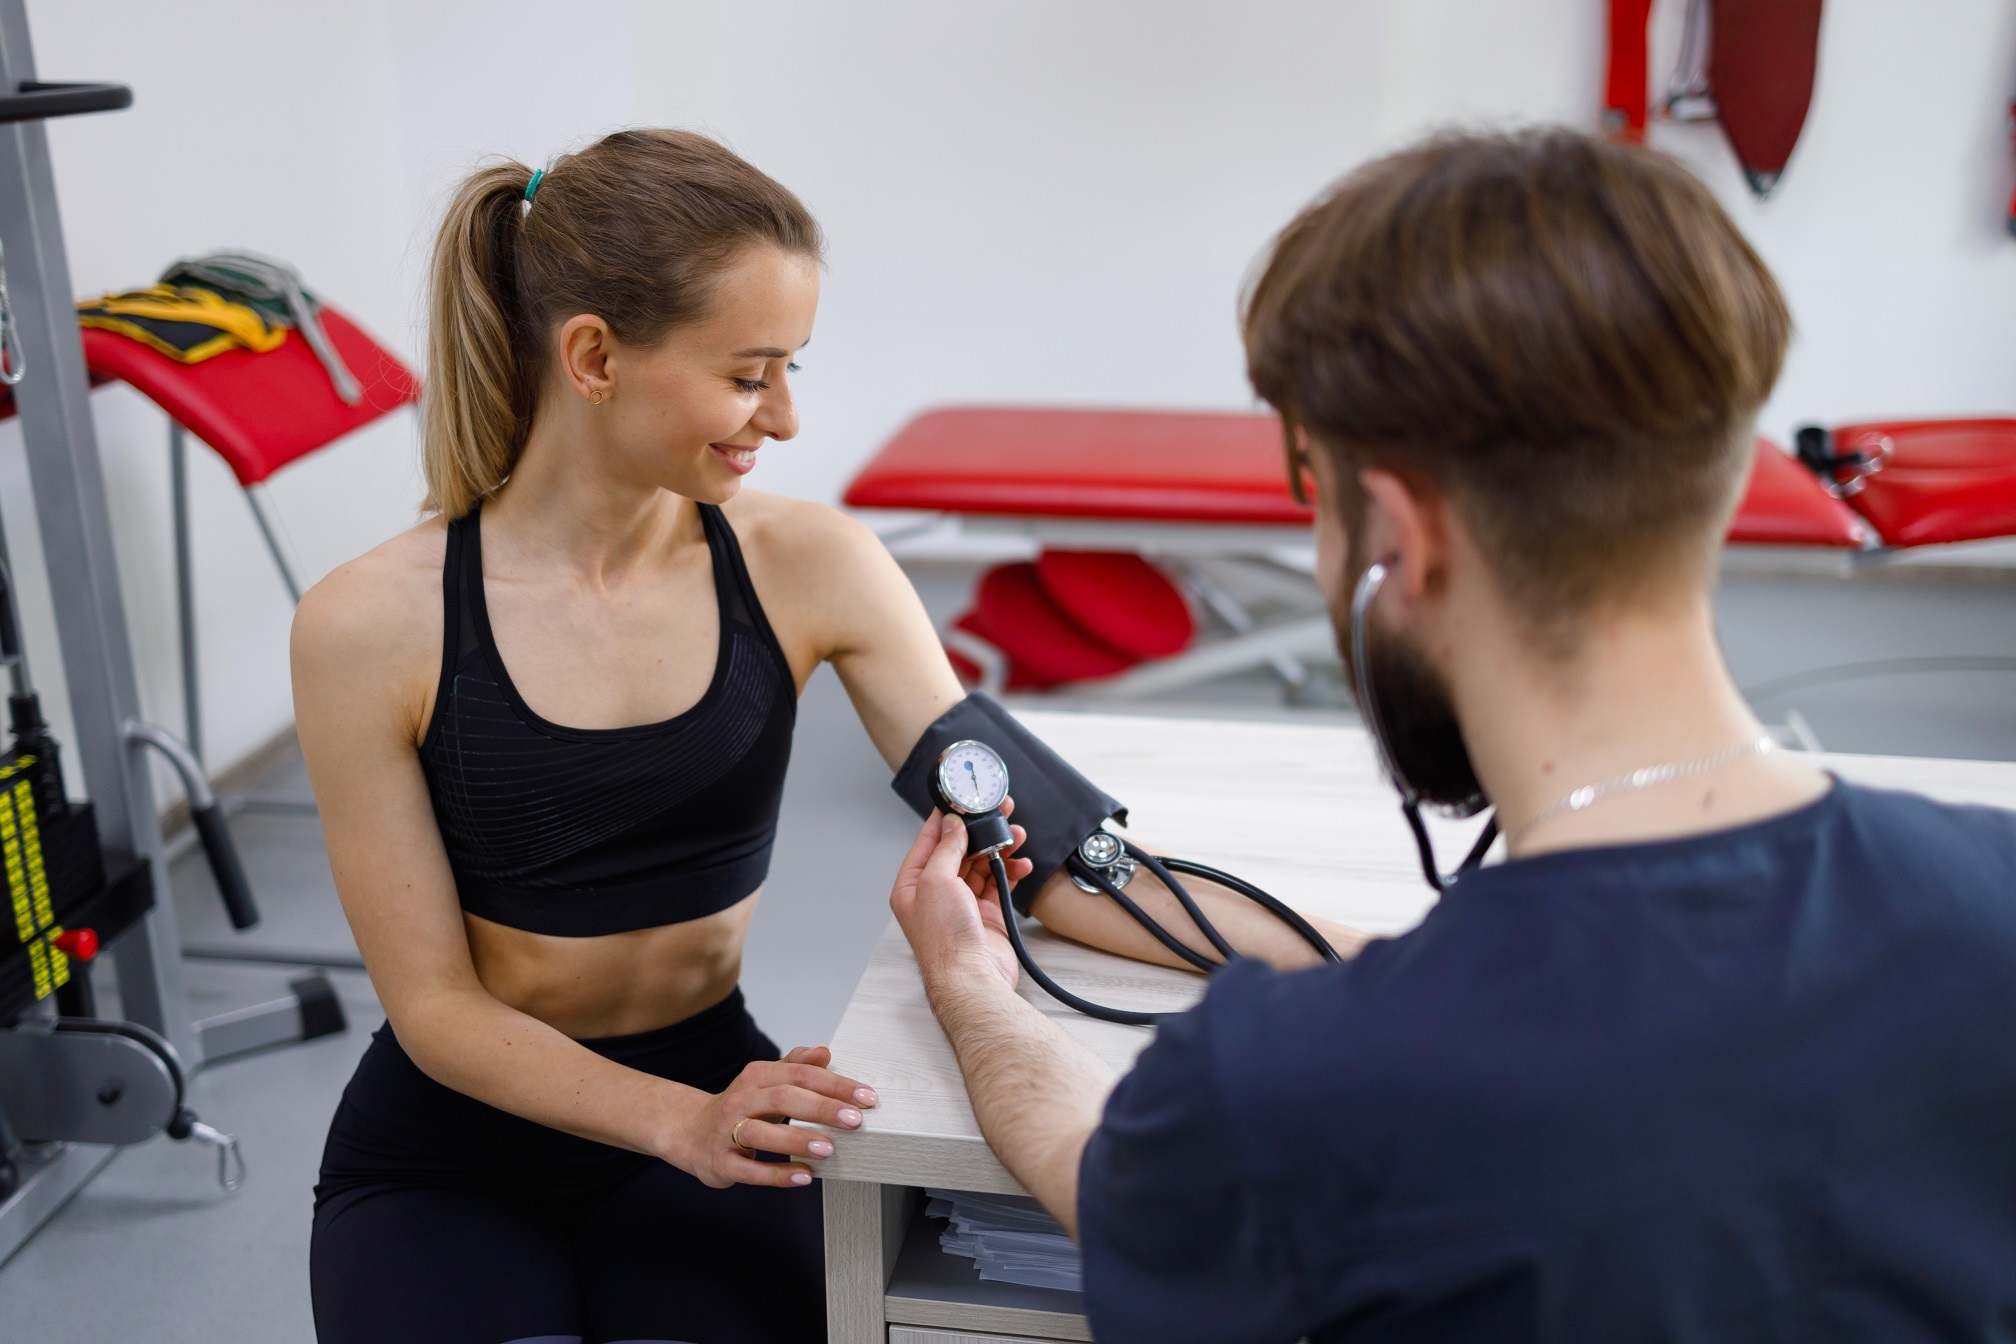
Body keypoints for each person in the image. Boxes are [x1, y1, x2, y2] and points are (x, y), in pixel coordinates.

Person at [889, 128, 2016, 1342]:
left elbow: (1093, 1173)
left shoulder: (1296, 1090)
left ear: (1401, 541)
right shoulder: (1992, 892)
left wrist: (971, 988)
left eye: (1318, 504)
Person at [295, 127, 1349, 1344]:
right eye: (751, 374)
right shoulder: (370, 624)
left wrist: (1381, 958)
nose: (786, 418)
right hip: (451, 1153)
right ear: (592, 356)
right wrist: (678, 1122)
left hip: (716, 1097)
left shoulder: (812, 565)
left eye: (792, 368)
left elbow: (1050, 860)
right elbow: (434, 1008)